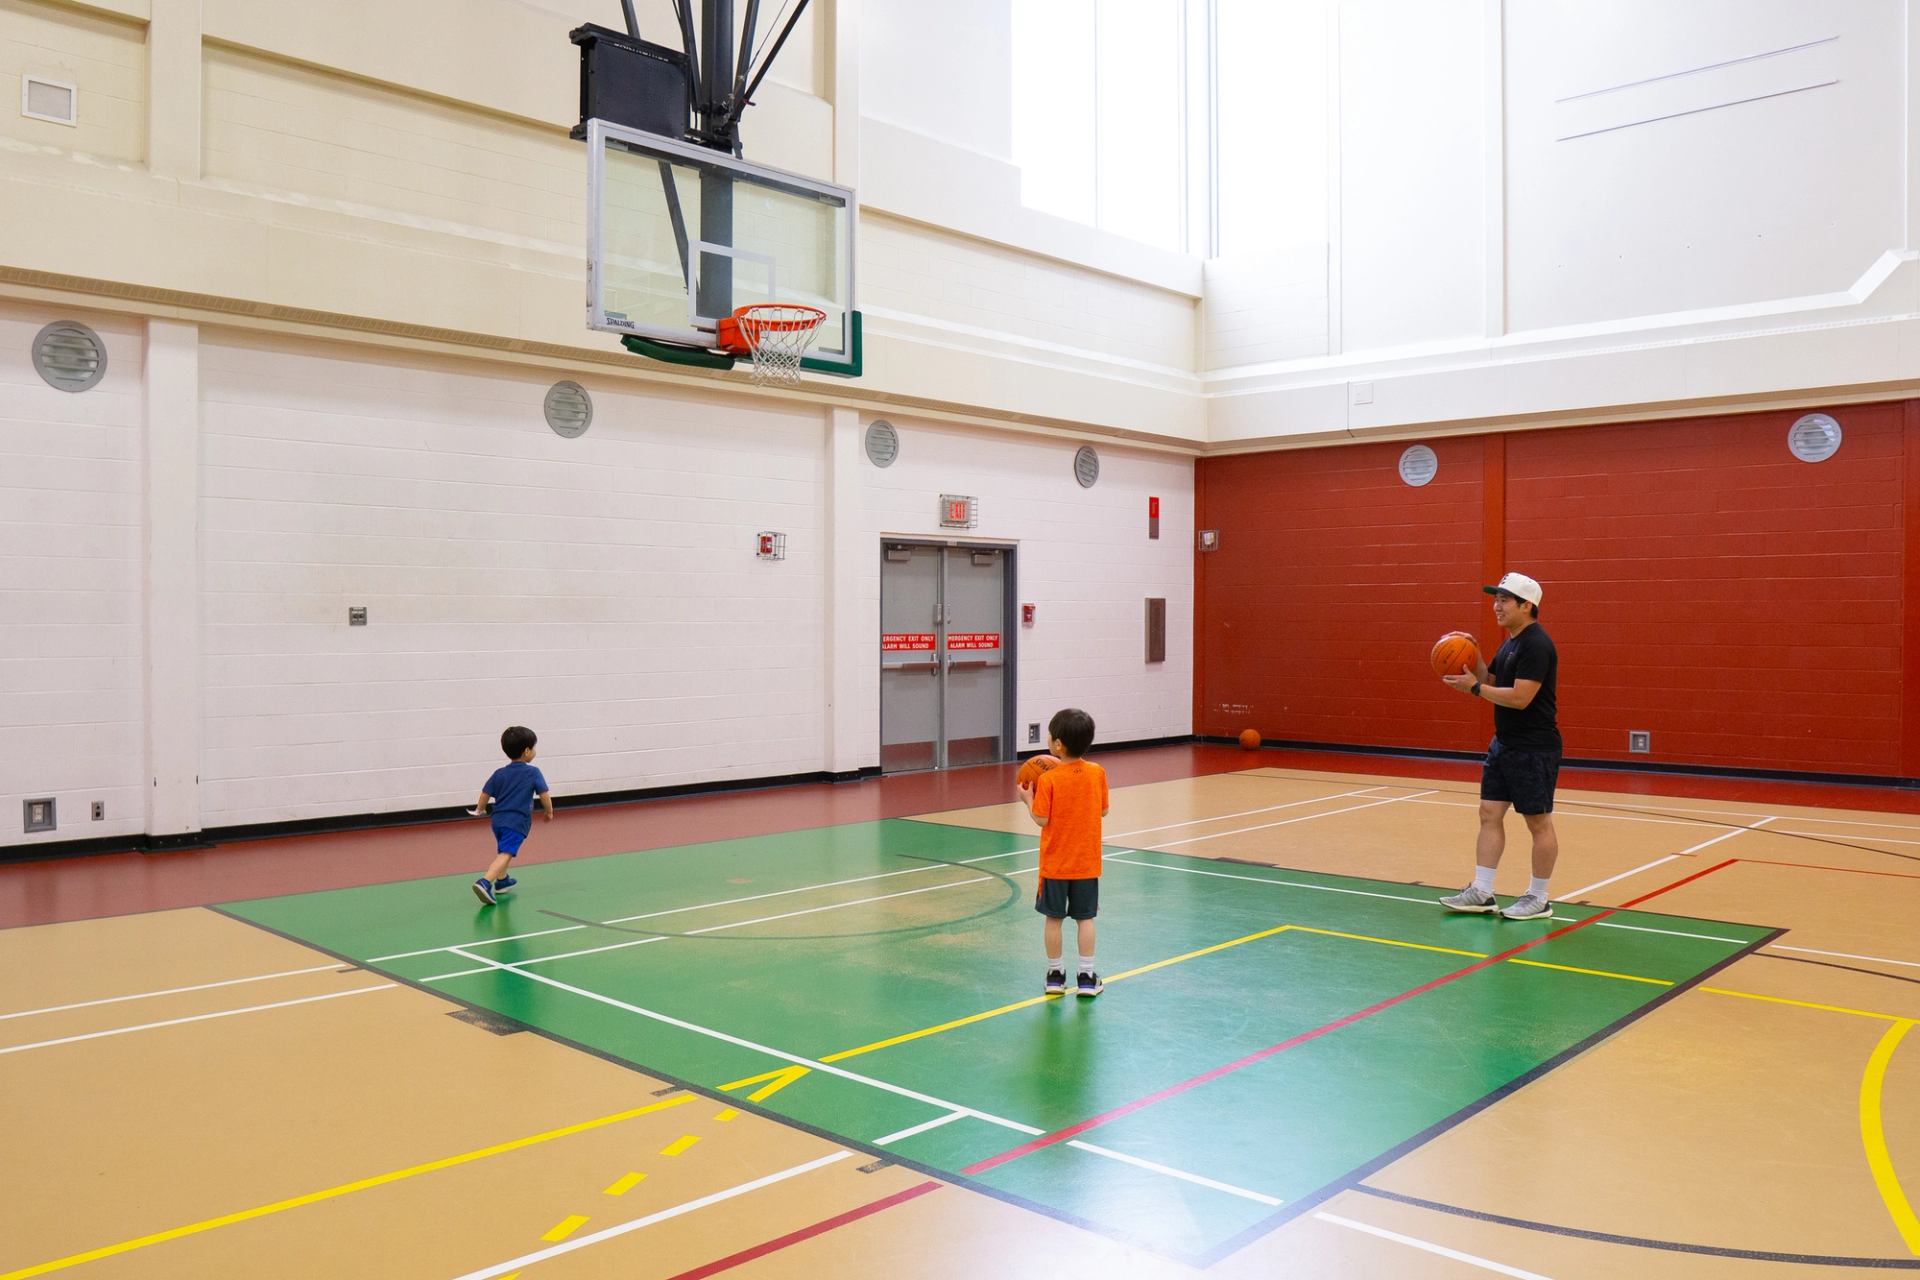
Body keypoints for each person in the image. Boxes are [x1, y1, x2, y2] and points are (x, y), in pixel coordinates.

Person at [1439, 572, 1562, 921]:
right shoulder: (1510, 642)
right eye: (1496, 598)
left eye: (1504, 600)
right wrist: (1472, 657)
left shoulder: (1537, 643)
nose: (1496, 605)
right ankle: (1482, 891)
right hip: (1504, 744)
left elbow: (1521, 697)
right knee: (1489, 814)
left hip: (1533, 747)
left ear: (1527, 605)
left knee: (1538, 823)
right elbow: (1493, 681)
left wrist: (1474, 689)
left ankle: (1539, 899)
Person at [1017, 708, 1110, 996]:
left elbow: (1042, 819)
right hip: (1086, 863)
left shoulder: (1049, 779)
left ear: (1057, 745)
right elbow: (1104, 810)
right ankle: (1086, 976)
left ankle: (1055, 976)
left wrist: (1027, 800)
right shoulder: (1097, 773)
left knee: (1053, 919)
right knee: (1086, 919)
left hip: (1055, 865)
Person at [472, 725, 552, 905]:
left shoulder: (499, 773)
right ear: (526, 751)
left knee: (504, 848)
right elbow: (544, 794)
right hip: (516, 821)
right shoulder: (533, 772)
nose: (535, 751)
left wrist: (480, 809)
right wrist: (549, 812)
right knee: (507, 853)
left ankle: (502, 881)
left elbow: (485, 793)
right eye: (534, 747)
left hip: (497, 821)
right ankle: (485, 882)